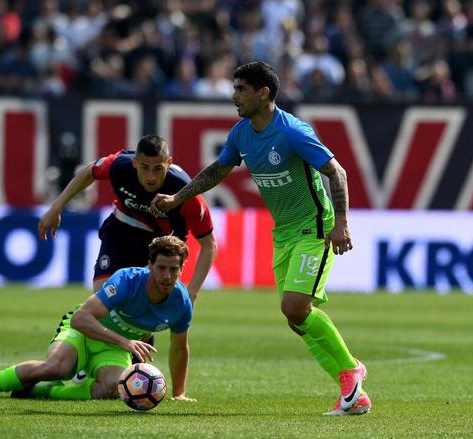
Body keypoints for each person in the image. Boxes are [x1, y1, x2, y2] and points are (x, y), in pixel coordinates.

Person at [152, 61, 371, 416]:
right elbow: (217, 171)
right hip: (283, 232)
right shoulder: (241, 133)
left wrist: (341, 222)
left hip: (314, 227)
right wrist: (178, 198)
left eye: (241, 89)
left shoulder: (293, 131)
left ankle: (351, 370)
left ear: (263, 92)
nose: (234, 96)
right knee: (296, 318)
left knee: (294, 308)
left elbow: (336, 171)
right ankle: (353, 393)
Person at [0, 235, 196, 402]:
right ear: (150, 265)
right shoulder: (127, 281)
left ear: (182, 269)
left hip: (113, 346)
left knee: (112, 390)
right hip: (83, 331)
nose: (166, 275)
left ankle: (41, 391)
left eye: (174, 269)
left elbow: (179, 348)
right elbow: (81, 319)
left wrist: (180, 393)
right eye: (161, 268)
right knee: (58, 368)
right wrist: (125, 342)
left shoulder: (181, 303)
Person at [38, 134, 217, 303]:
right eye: (144, 167)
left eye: (158, 169)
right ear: (135, 162)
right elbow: (90, 171)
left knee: (142, 309)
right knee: (104, 299)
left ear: (168, 164)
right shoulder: (119, 165)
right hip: (121, 230)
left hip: (160, 249)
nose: (151, 177)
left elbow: (209, 245)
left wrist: (192, 292)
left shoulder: (186, 193)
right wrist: (56, 208)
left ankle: (141, 335)